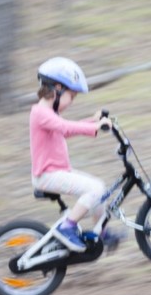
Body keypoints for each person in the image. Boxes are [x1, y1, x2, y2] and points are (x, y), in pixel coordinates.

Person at [30, 57, 120, 252]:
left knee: (100, 190)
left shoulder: (48, 115)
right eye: (71, 96)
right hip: (47, 176)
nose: (71, 102)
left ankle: (100, 233)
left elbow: (66, 130)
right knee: (94, 188)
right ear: (56, 89)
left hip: (57, 172)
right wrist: (95, 126)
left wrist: (93, 121)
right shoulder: (40, 113)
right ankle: (67, 228)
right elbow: (65, 126)